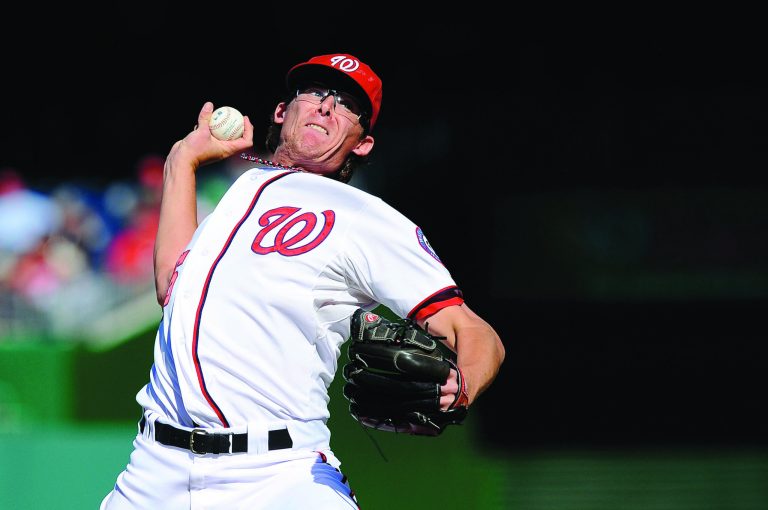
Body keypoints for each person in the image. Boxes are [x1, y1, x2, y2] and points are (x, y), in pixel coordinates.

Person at [100, 53, 505, 509]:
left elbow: (474, 332)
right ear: (281, 111)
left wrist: (461, 387)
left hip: (277, 473)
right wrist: (181, 162)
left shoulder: (365, 217)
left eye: (347, 104)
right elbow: (170, 285)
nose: (327, 106)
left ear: (363, 144)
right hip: (155, 470)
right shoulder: (240, 189)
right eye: (315, 92)